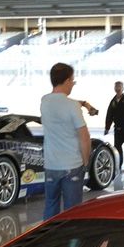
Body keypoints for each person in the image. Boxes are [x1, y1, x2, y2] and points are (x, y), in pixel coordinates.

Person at [40, 62, 96, 219]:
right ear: (66, 81)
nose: (73, 84)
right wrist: (86, 162)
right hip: (72, 166)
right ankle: (71, 244)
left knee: (50, 208)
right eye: (72, 80)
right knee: (73, 214)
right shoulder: (72, 106)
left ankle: (48, 241)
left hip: (51, 166)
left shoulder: (44, 102)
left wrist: (84, 103)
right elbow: (84, 137)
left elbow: (60, 102)